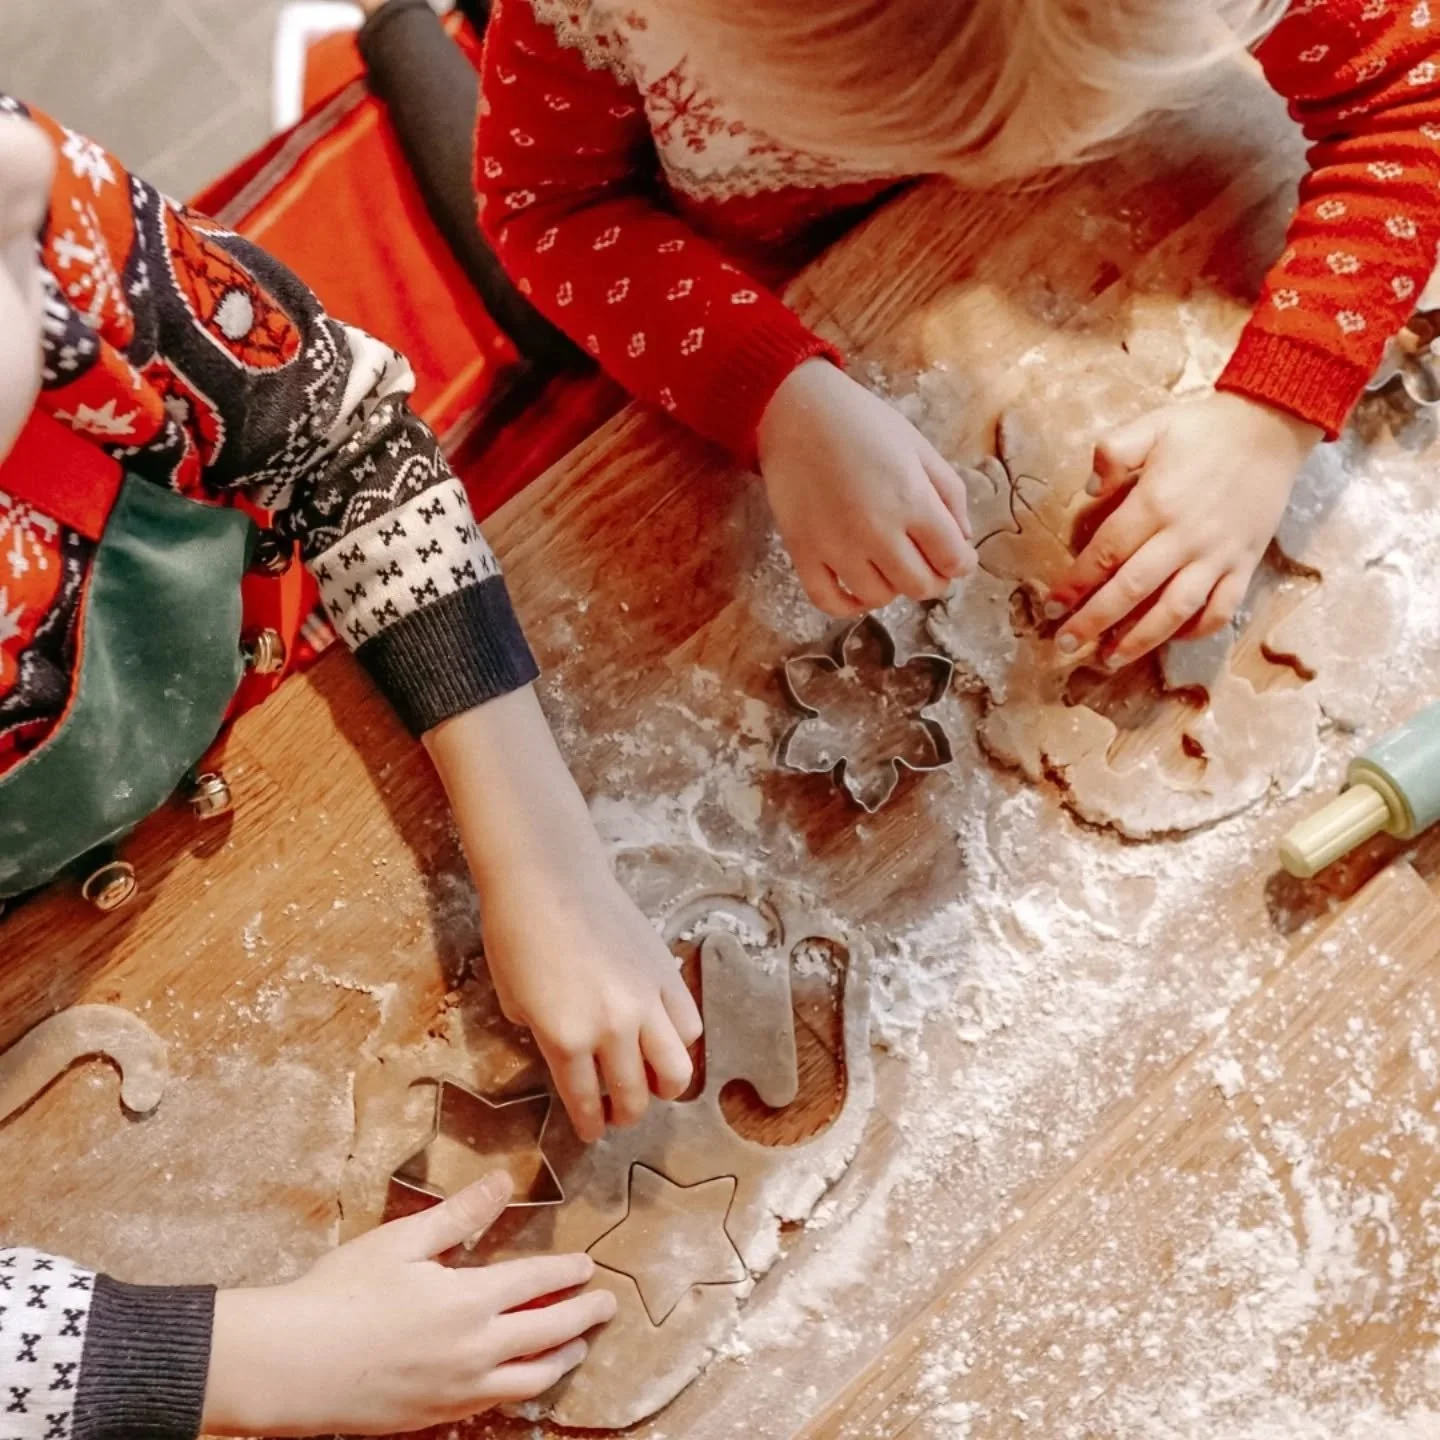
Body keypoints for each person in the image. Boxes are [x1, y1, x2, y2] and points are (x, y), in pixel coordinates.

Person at [0, 99, 703, 1433]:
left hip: (242, 713)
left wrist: (543, 857)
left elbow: (340, 443)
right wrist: (241, 1362)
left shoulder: (32, 222)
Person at [473, 0, 1440, 669]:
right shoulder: (598, 17)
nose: (986, 173)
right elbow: (546, 206)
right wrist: (771, 392)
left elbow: (1413, 99)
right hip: (717, 254)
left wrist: (1272, 415)